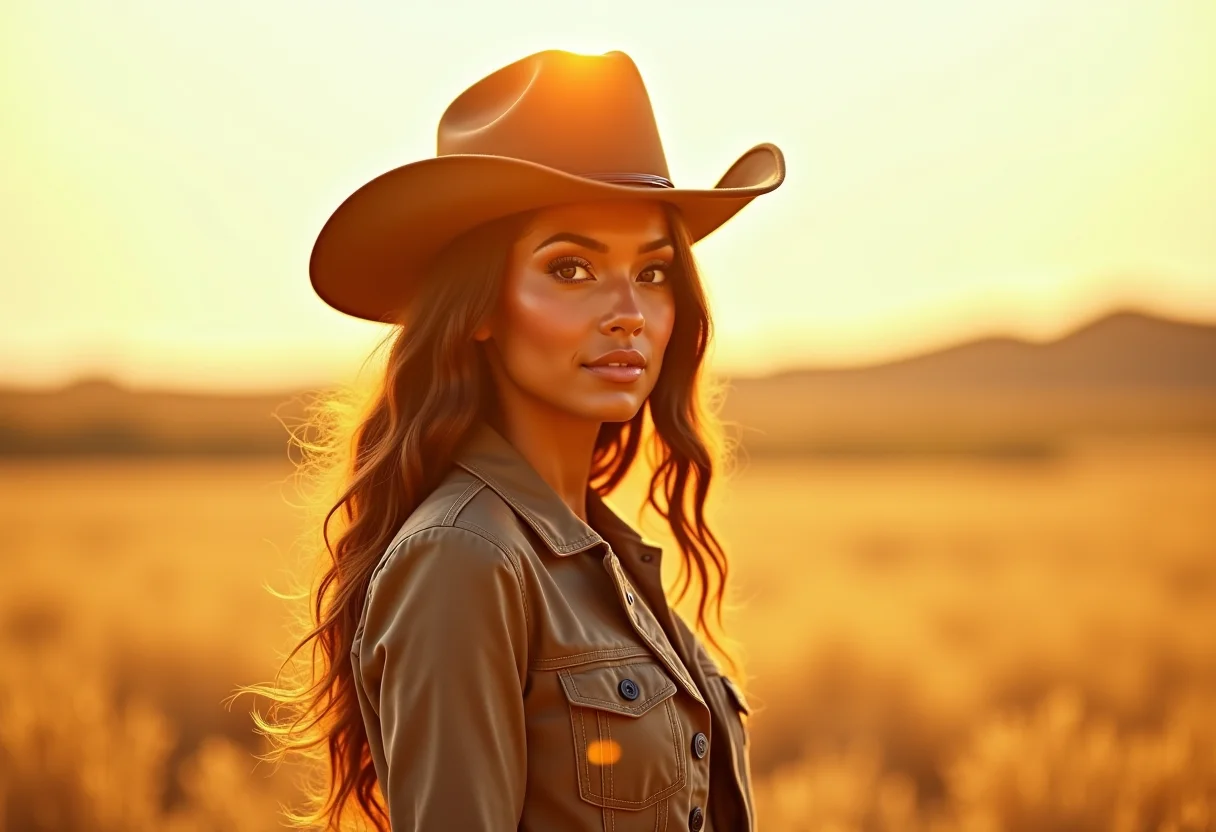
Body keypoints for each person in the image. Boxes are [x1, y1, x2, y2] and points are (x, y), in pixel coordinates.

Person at [248, 48, 785, 832]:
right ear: (479, 307)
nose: (628, 310)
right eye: (571, 268)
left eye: (654, 271)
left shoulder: (603, 557)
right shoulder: (466, 557)